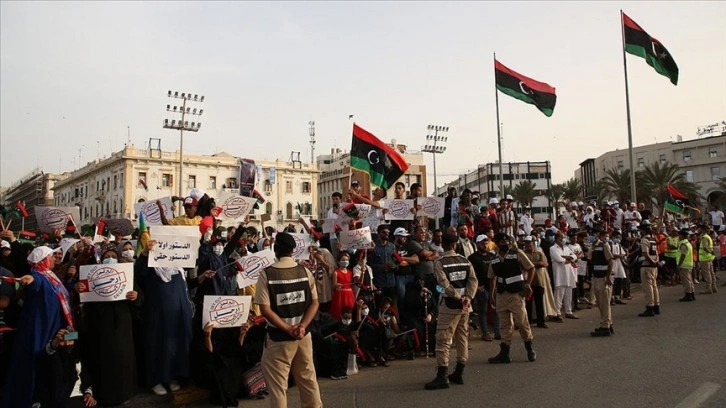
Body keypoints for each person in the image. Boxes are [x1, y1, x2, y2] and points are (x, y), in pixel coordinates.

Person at [2, 246, 78, 408]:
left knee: (56, 365)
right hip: (40, 331)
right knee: (37, 366)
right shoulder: (38, 276)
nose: (54, 259)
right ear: (43, 260)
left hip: (58, 329)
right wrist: (29, 280)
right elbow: (32, 281)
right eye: (51, 257)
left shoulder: (52, 277)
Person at [255, 232, 322, 408]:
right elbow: (315, 303)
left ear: (275, 249)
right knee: (308, 381)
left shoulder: (266, 274)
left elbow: (265, 309)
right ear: (293, 251)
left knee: (278, 388)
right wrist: (302, 327)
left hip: (279, 339)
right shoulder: (305, 271)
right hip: (303, 336)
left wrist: (288, 328)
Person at [77, 248, 139, 407]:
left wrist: (135, 296)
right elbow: (80, 296)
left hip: (121, 326)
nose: (110, 259)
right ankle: (100, 393)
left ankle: (124, 392)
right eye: (107, 257)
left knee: (122, 360)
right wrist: (78, 289)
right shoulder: (92, 274)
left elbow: (140, 299)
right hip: (98, 325)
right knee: (101, 359)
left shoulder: (126, 276)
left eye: (113, 256)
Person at [135, 240, 194, 396]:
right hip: (158, 317)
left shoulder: (179, 268)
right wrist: (146, 253)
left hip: (179, 316)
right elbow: (137, 274)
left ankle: (173, 377)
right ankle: (156, 380)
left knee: (177, 344)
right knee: (158, 344)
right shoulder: (151, 267)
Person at [424, 233, 477, 390]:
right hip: (465, 306)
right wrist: (468, 297)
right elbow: (473, 281)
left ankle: (442, 375)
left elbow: (444, 284)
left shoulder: (440, 263)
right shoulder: (465, 261)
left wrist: (458, 297)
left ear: (444, 244)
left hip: (450, 305)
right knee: (462, 338)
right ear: (455, 245)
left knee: (443, 339)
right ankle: (459, 372)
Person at [487, 232, 537, 364]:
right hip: (501, 295)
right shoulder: (494, 258)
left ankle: (529, 348)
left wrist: (527, 284)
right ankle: (505, 353)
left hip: (516, 294)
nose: (505, 244)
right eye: (501, 242)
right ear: (496, 243)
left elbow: (531, 268)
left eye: (506, 241)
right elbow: (491, 277)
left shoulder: (517, 253)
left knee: (522, 323)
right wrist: (492, 294)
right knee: (504, 325)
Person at [468, 234, 500, 340]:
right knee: (483, 310)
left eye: (486, 243)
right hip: (481, 287)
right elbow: (471, 274)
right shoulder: (472, 258)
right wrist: (476, 287)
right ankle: (485, 332)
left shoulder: (492, 256)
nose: (485, 246)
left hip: (493, 286)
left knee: (496, 309)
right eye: (482, 244)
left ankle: (497, 331)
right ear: (477, 244)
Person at [588, 229, 614, 336]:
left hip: (603, 278)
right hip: (596, 277)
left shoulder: (604, 246)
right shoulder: (593, 247)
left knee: (605, 303)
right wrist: (592, 247)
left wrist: (608, 277)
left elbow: (610, 261)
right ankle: (608, 323)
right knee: (600, 303)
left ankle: (605, 326)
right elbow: (589, 259)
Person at [549, 232, 579, 321]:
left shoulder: (566, 247)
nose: (564, 238)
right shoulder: (553, 248)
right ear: (557, 238)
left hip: (569, 273)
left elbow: (575, 256)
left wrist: (567, 257)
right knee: (559, 294)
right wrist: (569, 259)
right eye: (562, 237)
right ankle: (557, 312)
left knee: (568, 293)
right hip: (560, 274)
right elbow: (559, 259)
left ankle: (568, 311)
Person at [638, 222, 661, 317]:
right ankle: (656, 305)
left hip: (647, 266)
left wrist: (651, 261)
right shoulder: (652, 240)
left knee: (648, 287)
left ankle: (650, 306)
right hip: (654, 266)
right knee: (654, 286)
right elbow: (656, 253)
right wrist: (656, 262)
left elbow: (645, 254)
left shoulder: (644, 240)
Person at [330, 253, 355, 320]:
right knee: (339, 312)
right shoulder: (336, 272)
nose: (345, 261)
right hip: (340, 295)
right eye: (343, 260)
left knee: (349, 312)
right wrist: (336, 285)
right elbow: (333, 285)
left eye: (347, 260)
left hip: (349, 295)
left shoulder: (350, 272)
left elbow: (352, 285)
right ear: (339, 261)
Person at [677, 228, 696, 302]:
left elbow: (683, 255)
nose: (679, 236)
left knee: (686, 280)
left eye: (680, 235)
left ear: (682, 235)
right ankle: (691, 294)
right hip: (689, 264)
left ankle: (688, 294)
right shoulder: (688, 243)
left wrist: (679, 264)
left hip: (684, 264)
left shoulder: (683, 243)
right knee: (689, 280)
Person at [697, 225, 718, 294]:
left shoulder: (704, 237)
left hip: (705, 258)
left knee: (707, 273)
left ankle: (708, 288)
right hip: (709, 257)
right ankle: (713, 287)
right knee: (711, 273)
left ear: (703, 230)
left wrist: (710, 252)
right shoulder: (708, 237)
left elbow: (705, 248)